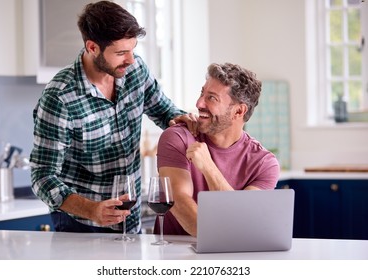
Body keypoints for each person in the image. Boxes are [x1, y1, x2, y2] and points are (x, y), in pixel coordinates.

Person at [30, 1, 195, 234]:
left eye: (132, 49)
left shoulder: (135, 70)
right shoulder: (60, 97)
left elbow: (165, 112)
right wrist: (92, 210)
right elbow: (42, 176)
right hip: (82, 224)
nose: (130, 59)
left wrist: (185, 121)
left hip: (131, 217)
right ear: (92, 47)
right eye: (120, 52)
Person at [155, 63, 280, 236]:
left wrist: (208, 167)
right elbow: (178, 201)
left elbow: (240, 219)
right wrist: (223, 236)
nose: (199, 103)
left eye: (211, 98)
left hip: (230, 257)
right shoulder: (177, 137)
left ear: (238, 111)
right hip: (173, 252)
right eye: (202, 93)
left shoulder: (264, 164)